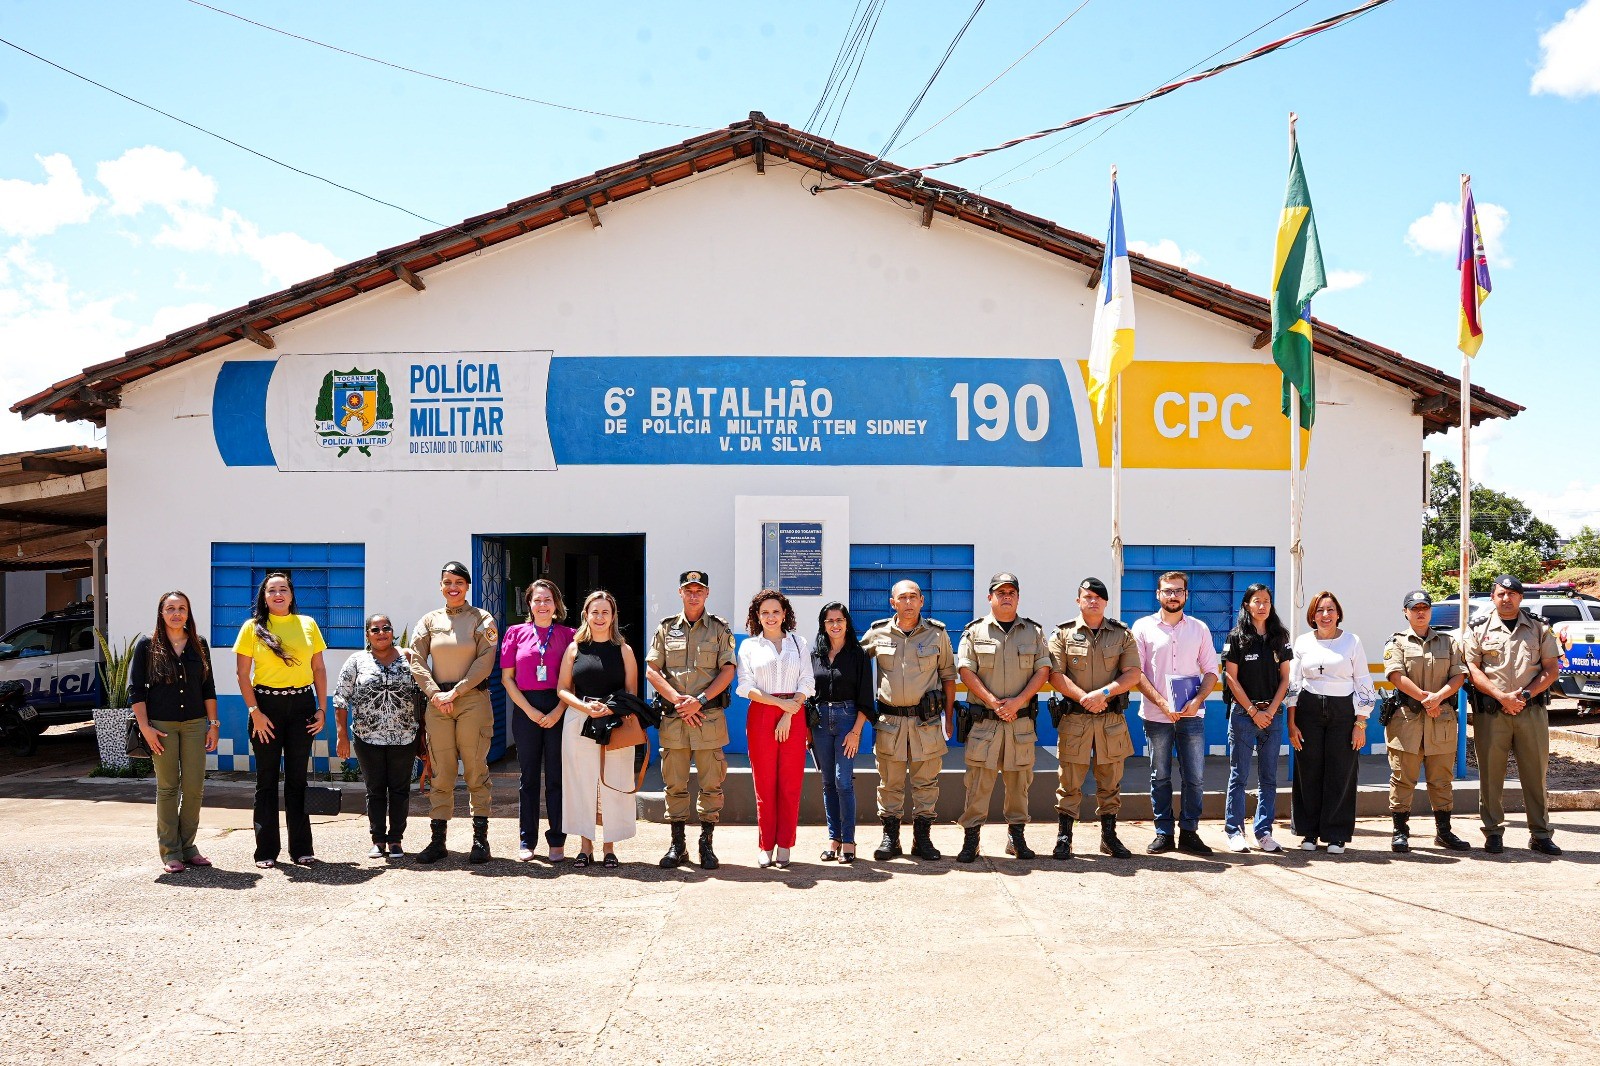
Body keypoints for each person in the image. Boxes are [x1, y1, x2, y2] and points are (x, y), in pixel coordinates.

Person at [1463, 574, 1563, 856]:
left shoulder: (1539, 628)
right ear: (1493, 598)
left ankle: (1540, 834)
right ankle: (1493, 832)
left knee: (1535, 773)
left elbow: (1551, 669)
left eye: (1512, 593)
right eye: (1500, 594)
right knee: (1491, 775)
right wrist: (1501, 696)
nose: (1506, 598)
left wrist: (1526, 695)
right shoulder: (1478, 629)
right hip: (1492, 713)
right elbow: (1472, 669)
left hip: (1530, 711)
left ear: (1521, 597)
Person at [234, 571, 327, 869]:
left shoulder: (307, 624)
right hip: (266, 708)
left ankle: (301, 849)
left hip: (302, 706)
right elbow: (242, 675)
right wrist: (255, 712)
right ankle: (265, 851)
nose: (278, 594)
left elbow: (319, 670)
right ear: (264, 596)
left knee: (297, 780)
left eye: (283, 589)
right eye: (272, 590)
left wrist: (321, 708)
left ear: (291, 594)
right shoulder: (253, 628)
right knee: (267, 781)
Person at [954, 573, 1050, 863]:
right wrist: (993, 702)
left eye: (1011, 591)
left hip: (1019, 723)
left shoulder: (1033, 632)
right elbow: (966, 671)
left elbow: (1043, 670)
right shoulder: (974, 631)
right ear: (990, 597)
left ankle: (1016, 838)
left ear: (1018, 597)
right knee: (977, 784)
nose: (1006, 596)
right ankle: (971, 839)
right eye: (1000, 592)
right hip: (985, 723)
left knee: (1019, 784)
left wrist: (1018, 701)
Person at [644, 569, 736, 870]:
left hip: (707, 717)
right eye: (688, 590)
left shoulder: (720, 628)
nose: (694, 595)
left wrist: (699, 700)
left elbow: (728, 671)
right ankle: (678, 844)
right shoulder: (666, 627)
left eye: (699, 590)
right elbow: (652, 670)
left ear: (707, 593)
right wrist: (678, 700)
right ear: (680, 593)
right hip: (675, 719)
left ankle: (706, 844)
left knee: (711, 783)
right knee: (674, 784)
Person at [409, 561, 499, 865]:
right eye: (447, 582)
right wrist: (436, 694)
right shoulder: (429, 621)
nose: (453, 587)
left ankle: (480, 840)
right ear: (440, 586)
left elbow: (485, 661)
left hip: (471, 699)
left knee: (475, 768)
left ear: (467, 586)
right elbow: (416, 660)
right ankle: (438, 841)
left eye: (459, 582)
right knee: (441, 771)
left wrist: (456, 691)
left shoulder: (481, 619)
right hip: (438, 704)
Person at [1045, 578, 1141, 860]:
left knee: (1110, 781)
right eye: (1087, 596)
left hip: (1110, 719)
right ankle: (1065, 837)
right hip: (1076, 719)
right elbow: (1055, 674)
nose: (1093, 601)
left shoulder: (1121, 634)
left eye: (1099, 597)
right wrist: (1084, 698)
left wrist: (1103, 694)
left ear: (1106, 602)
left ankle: (1109, 837)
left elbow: (1133, 673)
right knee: (1069, 781)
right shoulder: (1062, 634)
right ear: (1078, 601)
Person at [860, 580, 956, 863]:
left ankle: (922, 839)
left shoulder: (937, 635)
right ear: (893, 603)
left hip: (926, 723)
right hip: (890, 722)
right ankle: (891, 837)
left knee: (926, 782)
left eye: (914, 597)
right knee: (890, 783)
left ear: (922, 601)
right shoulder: (878, 633)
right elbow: (853, 662)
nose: (909, 602)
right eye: (903, 597)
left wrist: (948, 719)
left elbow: (949, 677)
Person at [1132, 570, 1220, 856]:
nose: (1173, 595)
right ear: (1158, 594)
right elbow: (1136, 673)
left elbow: (1210, 671)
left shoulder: (1200, 628)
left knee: (1194, 777)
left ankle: (1190, 832)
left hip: (1192, 716)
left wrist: (1197, 700)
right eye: (1167, 590)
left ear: (1186, 595)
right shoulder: (1143, 627)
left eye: (1178, 590)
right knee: (1160, 776)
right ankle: (1163, 833)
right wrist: (1161, 703)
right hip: (1157, 717)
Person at [131, 591, 219, 873]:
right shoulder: (147, 645)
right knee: (168, 788)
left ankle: (189, 847)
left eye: (182, 608)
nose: (176, 613)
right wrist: (145, 728)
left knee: (194, 787)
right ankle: (171, 851)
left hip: (195, 724)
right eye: (170, 608)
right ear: (161, 613)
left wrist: (213, 725)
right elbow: (136, 690)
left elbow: (208, 687)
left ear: (188, 613)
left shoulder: (199, 644)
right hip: (161, 727)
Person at [1287, 590, 1376, 854]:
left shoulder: (1351, 641)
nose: (1325, 615)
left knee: (1341, 771)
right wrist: (1292, 723)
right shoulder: (1302, 642)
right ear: (1312, 616)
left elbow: (1362, 680)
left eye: (1330, 610)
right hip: (1309, 710)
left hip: (1343, 712)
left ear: (1338, 614)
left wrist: (1360, 723)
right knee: (1308, 771)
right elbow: (1294, 683)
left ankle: (1336, 834)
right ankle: (1309, 832)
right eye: (1319, 611)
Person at [557, 589, 640, 868]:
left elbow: (632, 693)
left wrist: (611, 708)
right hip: (579, 720)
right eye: (595, 612)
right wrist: (584, 707)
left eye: (606, 612)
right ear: (586, 615)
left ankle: (609, 847)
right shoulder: (575, 648)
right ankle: (584, 846)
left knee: (613, 783)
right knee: (580, 783)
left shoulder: (624, 650)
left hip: (615, 723)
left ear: (613, 616)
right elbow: (562, 689)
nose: (600, 617)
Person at [1382, 590, 1470, 853]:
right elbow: (1395, 675)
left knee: (1441, 780)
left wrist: (1438, 698)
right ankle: (1400, 831)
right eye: (1414, 608)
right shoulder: (1396, 642)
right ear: (1405, 612)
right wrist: (1424, 698)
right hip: (1406, 721)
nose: (1420, 612)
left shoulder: (1449, 642)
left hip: (1440, 719)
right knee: (1402, 778)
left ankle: (1444, 832)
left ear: (1430, 611)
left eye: (1425, 607)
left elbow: (1459, 676)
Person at [736, 588, 815, 869]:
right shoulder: (749, 646)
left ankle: (785, 844)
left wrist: (789, 711)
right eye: (765, 612)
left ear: (785, 614)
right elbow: (745, 686)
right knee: (765, 784)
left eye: (776, 611)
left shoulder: (799, 642)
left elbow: (807, 681)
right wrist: (779, 706)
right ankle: (765, 845)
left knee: (790, 783)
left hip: (794, 714)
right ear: (757, 616)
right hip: (762, 714)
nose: (771, 617)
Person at [333, 613, 423, 860]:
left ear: (392, 632)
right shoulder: (357, 661)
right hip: (367, 737)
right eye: (375, 629)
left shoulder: (408, 659)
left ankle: (395, 840)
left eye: (386, 628)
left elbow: (422, 695)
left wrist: (424, 735)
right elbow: (340, 699)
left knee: (400, 789)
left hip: (404, 736)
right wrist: (341, 736)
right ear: (367, 635)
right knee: (375, 790)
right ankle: (378, 840)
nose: (381, 632)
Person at [501, 579, 576, 862]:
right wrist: (530, 711)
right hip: (526, 707)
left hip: (559, 705)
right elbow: (507, 679)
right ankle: (526, 840)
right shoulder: (515, 633)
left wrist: (558, 711)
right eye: (537, 600)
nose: (542, 605)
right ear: (529, 604)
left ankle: (557, 840)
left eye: (548, 600)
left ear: (556, 604)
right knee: (529, 778)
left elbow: (574, 680)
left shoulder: (569, 635)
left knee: (557, 778)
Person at [1220, 584, 1293, 854]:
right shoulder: (1236, 637)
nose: (1262, 606)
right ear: (1247, 605)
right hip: (1242, 715)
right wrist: (1252, 711)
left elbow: (1285, 677)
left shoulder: (1280, 637)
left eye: (1266, 601)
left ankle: (1263, 832)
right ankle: (1234, 831)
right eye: (1256, 601)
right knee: (1238, 776)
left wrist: (1271, 711)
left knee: (1268, 778)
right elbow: (1230, 677)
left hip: (1272, 716)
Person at [809, 602, 873, 862]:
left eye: (839, 620)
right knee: (827, 783)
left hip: (848, 719)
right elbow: (808, 693)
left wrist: (856, 732)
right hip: (820, 721)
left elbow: (866, 699)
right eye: (829, 621)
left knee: (842, 782)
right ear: (823, 625)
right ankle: (833, 839)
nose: (835, 625)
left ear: (847, 622)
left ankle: (848, 841)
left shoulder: (858, 655)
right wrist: (808, 729)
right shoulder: (815, 655)